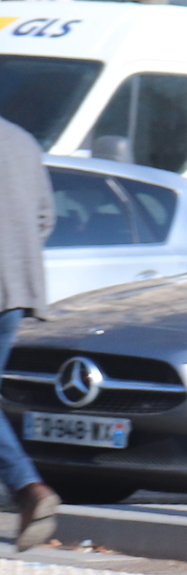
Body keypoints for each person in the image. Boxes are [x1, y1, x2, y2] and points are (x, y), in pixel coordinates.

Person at [0, 117, 58, 551]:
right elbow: (44, 218)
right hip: (13, 289)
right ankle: (28, 490)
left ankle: (28, 487)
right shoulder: (22, 139)